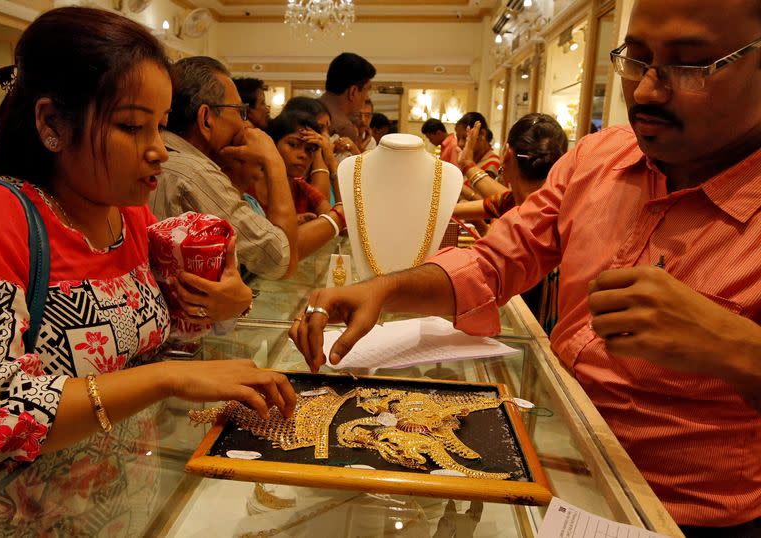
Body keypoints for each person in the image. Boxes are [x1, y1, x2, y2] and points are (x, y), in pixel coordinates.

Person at [290, 0, 761, 533]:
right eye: (637, 58)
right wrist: (385, 289)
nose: (648, 90)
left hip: (688, 517)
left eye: (690, 67)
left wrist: (738, 348)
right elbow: (495, 260)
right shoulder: (597, 158)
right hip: (552, 467)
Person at [0, 6, 296, 532]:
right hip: (23, 515)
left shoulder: (135, 219)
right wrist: (164, 379)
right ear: (52, 122)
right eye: (132, 126)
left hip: (127, 497)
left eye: (160, 127)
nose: (159, 151)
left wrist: (230, 302)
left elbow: (169, 342)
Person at [150, 57, 299, 280]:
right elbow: (280, 261)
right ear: (206, 119)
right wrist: (273, 161)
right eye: (240, 112)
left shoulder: (162, 155)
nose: (244, 125)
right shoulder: (195, 172)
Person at [453, 113, 568, 333]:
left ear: (506, 155)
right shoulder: (555, 205)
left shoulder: (522, 219)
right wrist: (467, 165)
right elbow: (501, 199)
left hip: (535, 332)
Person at [266, 110, 346, 260]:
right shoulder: (252, 184)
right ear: (272, 144)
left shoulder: (300, 186)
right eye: (293, 144)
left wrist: (331, 161)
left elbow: (341, 223)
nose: (302, 155)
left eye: (310, 150)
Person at [281, 96, 340, 204]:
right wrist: (316, 150)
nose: (326, 136)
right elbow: (319, 205)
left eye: (328, 129)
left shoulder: (321, 158)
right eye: (320, 128)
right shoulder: (294, 167)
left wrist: (331, 161)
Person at [319, 52, 376, 147]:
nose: (366, 97)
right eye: (366, 91)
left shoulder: (302, 109)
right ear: (353, 92)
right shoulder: (346, 129)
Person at [455, 112, 500, 179]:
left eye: (465, 138)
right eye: (458, 138)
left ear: (482, 134)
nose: (460, 143)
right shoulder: (474, 160)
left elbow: (482, 189)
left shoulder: (492, 164)